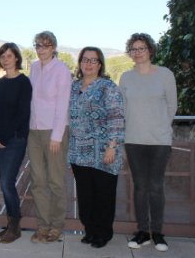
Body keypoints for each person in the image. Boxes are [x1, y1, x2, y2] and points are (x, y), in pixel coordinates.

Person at [120, 33, 177, 252]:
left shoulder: (165, 75)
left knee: (155, 186)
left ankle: (158, 233)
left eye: (141, 48)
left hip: (159, 141)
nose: (137, 52)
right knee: (140, 186)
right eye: (133, 49)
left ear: (150, 50)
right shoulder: (125, 77)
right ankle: (142, 231)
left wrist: (162, 128)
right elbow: (123, 109)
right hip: (134, 140)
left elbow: (172, 106)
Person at [68, 47, 124, 248]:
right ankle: (90, 230)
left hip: (103, 151)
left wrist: (112, 147)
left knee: (103, 195)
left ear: (100, 65)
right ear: (80, 63)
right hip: (78, 152)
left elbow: (116, 118)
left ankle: (103, 233)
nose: (88, 64)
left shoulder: (108, 87)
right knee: (86, 195)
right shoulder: (74, 87)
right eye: (85, 60)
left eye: (93, 60)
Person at [28, 31, 72, 243]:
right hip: (33, 131)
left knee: (55, 181)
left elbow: (63, 103)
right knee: (37, 181)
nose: (41, 49)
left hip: (55, 132)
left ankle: (56, 226)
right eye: (38, 45)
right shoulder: (34, 67)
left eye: (45, 45)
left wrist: (57, 136)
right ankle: (42, 225)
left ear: (53, 47)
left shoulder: (61, 69)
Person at [0, 43, 32, 243]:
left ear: (16, 58)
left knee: (7, 182)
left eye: (9, 55)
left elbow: (23, 115)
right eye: (2, 56)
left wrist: (5, 138)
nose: (5, 59)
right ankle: (10, 223)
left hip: (15, 140)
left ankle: (14, 226)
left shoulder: (24, 82)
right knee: (4, 182)